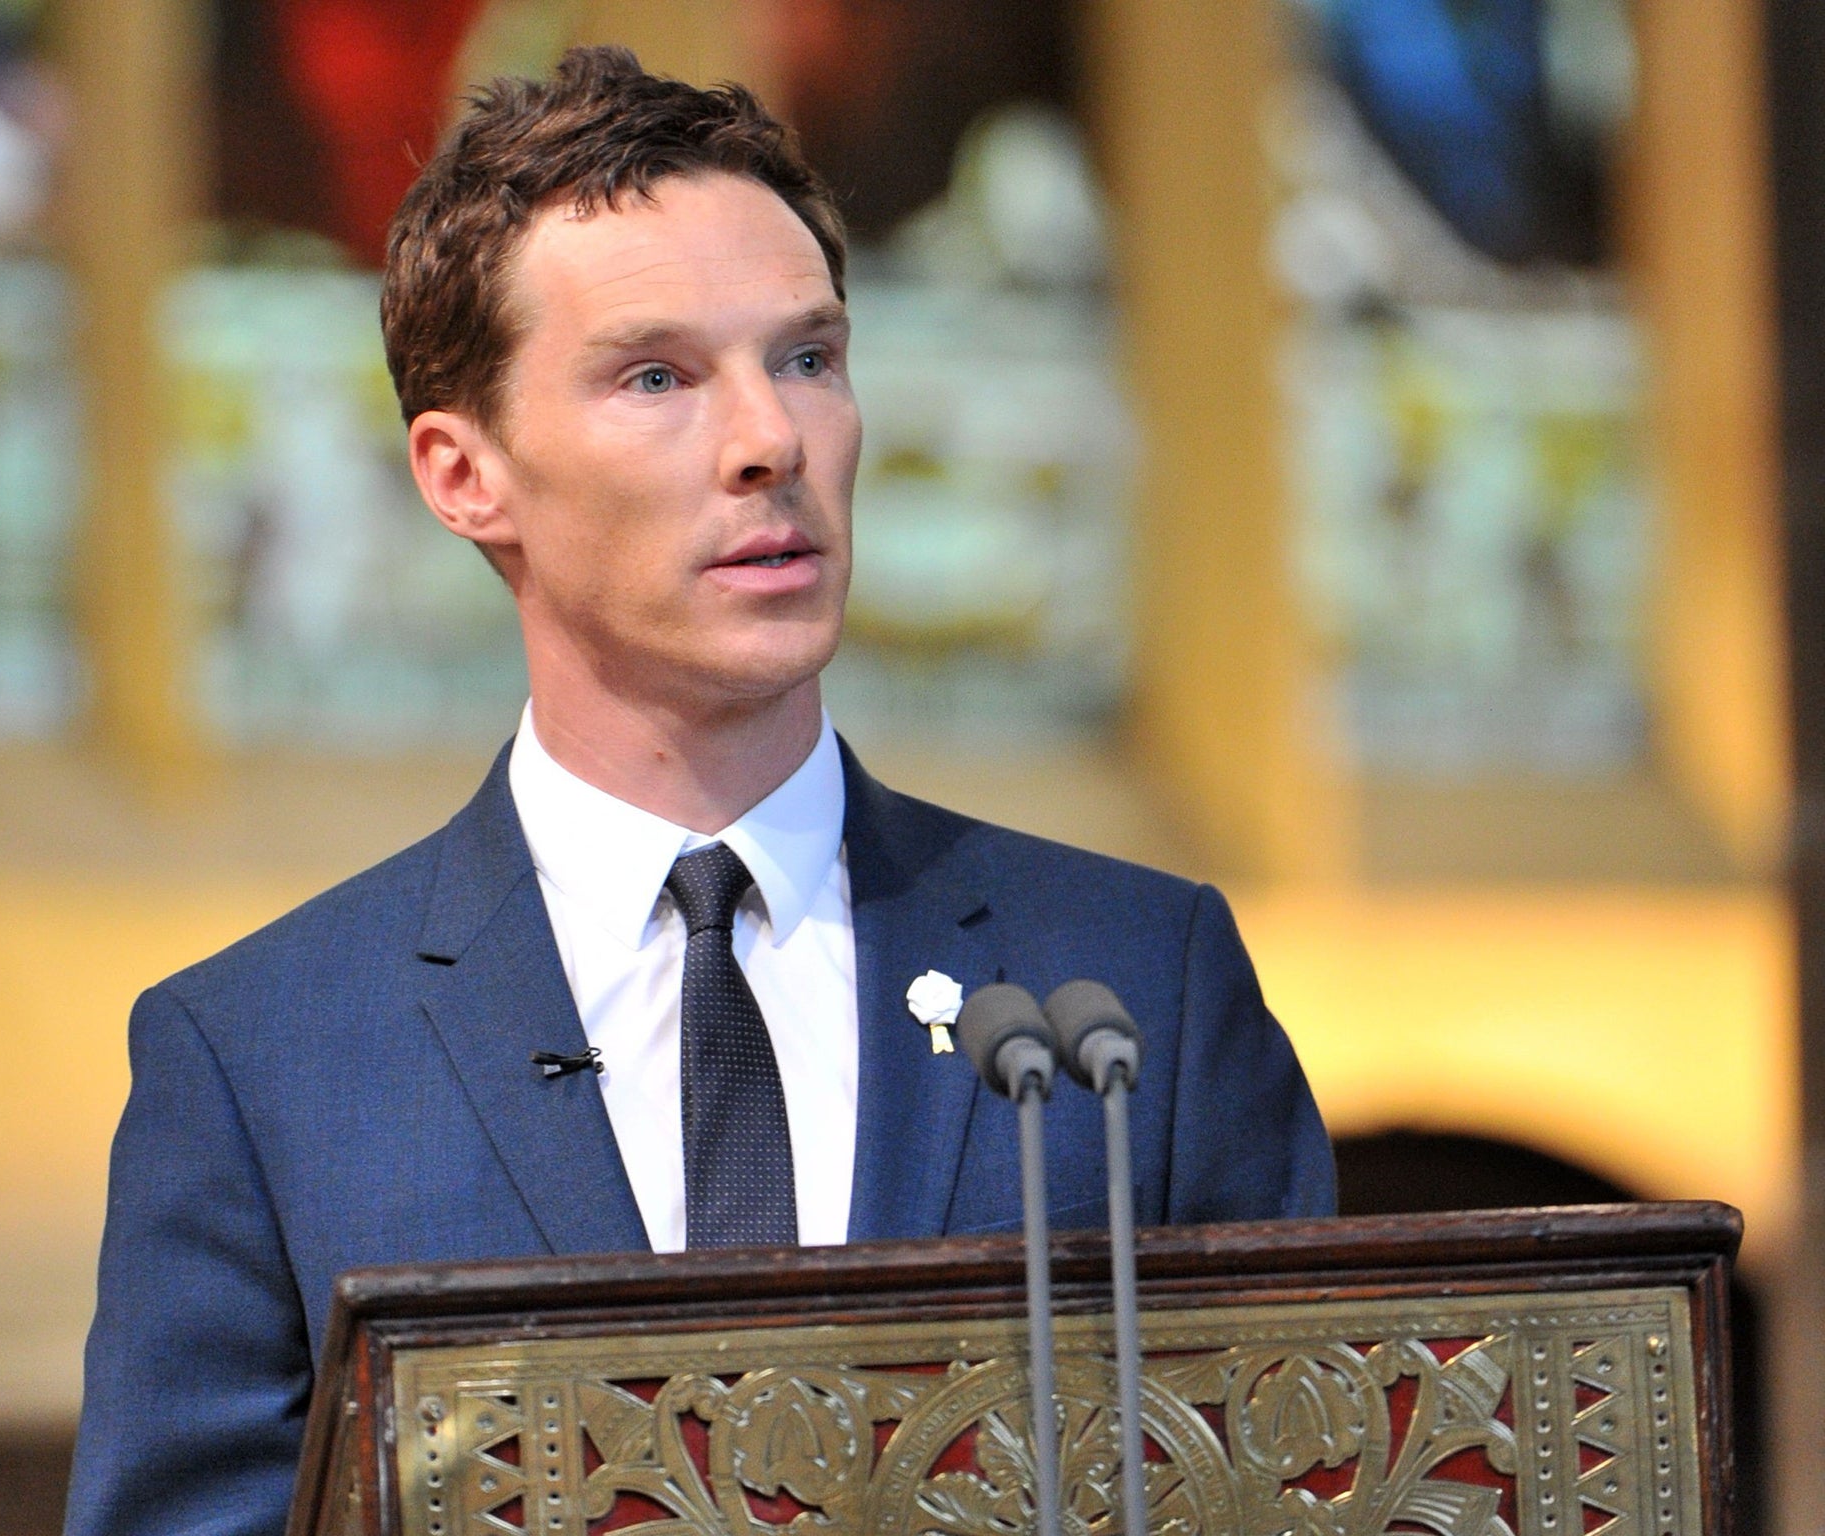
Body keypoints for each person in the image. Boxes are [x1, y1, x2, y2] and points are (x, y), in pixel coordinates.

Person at [64, 47, 1333, 1536]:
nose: (770, 441)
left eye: (807, 357)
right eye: (657, 376)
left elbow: (1309, 1469)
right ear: (464, 473)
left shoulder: (1127, 997)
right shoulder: (265, 1062)